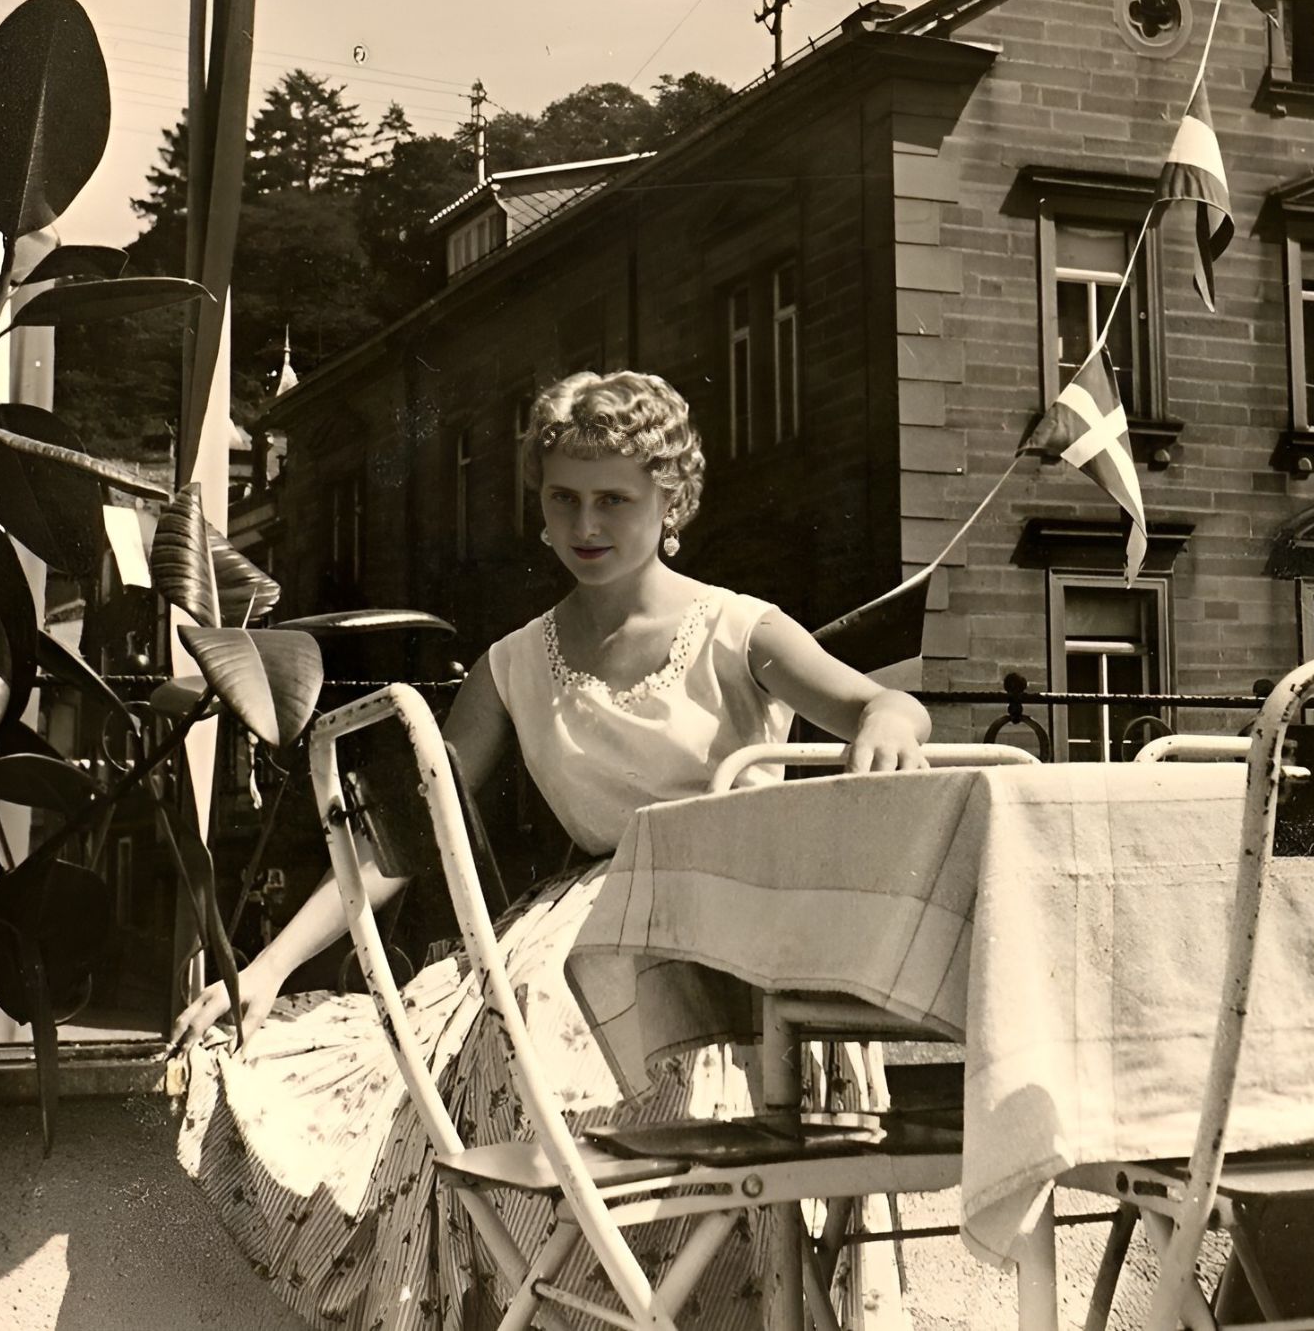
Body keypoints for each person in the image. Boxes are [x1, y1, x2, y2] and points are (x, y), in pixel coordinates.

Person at [171, 370, 932, 1331]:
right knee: (509, 1035)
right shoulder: (514, 661)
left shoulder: (736, 629)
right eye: (563, 497)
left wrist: (890, 721)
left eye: (615, 498)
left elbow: (873, 701)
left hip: (735, 922)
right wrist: (272, 964)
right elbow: (406, 835)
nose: (588, 522)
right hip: (588, 922)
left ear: (671, 503)